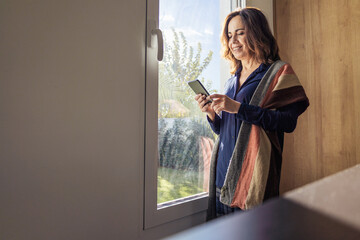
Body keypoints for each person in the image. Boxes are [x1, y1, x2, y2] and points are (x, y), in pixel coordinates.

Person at [195, 7, 309, 220]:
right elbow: (225, 129)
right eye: (229, 35)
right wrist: (212, 113)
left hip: (253, 178)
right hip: (223, 175)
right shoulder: (232, 80)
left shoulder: (279, 72)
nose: (233, 41)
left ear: (257, 33)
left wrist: (238, 108)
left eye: (240, 33)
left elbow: (287, 122)